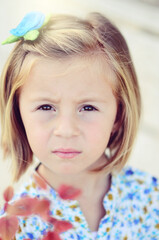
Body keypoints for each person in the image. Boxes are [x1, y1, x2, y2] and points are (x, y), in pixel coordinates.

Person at [0, 11, 158, 240]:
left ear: (118, 115)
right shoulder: (14, 226)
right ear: (18, 112)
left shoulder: (149, 195)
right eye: (46, 107)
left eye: (88, 108)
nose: (65, 130)